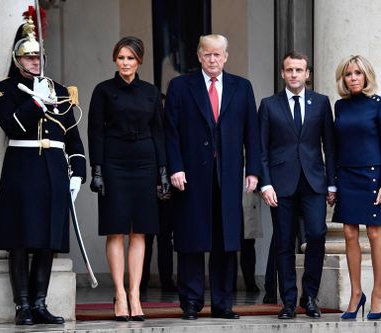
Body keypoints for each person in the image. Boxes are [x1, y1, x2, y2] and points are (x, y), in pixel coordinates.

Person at [0, 9, 86, 325]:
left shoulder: (60, 89)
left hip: (54, 171)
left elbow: (72, 137)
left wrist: (78, 172)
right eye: (28, 58)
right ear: (17, 59)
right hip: (22, 170)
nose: (35, 63)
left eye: (38, 57)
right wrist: (35, 103)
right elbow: (12, 127)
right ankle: (22, 306)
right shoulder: (2, 89)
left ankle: (40, 303)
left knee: (47, 239)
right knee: (20, 240)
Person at [164, 34, 261, 320]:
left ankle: (222, 303)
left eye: (218, 54)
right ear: (199, 56)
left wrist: (253, 169)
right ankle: (191, 303)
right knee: (192, 241)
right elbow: (170, 132)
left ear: (226, 56)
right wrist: (175, 167)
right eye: (208, 54)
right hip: (191, 176)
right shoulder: (181, 86)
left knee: (226, 241)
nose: (213, 59)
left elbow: (251, 133)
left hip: (229, 177)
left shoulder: (242, 87)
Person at [88, 36, 169, 321]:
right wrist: (96, 170)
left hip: (145, 163)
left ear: (139, 61)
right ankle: (119, 294)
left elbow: (159, 133)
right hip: (114, 162)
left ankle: (135, 294)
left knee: (140, 231)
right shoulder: (103, 91)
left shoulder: (150, 92)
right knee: (116, 229)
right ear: (115, 59)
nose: (125, 62)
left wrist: (162, 171)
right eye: (121, 57)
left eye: (130, 58)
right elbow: (95, 132)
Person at [259, 51, 336, 319]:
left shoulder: (322, 103)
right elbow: (261, 149)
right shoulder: (268, 105)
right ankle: (289, 302)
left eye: (299, 70)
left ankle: (310, 296)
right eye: (289, 70)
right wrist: (265, 184)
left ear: (307, 74)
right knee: (284, 242)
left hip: (314, 182)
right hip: (280, 185)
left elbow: (330, 146)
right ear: (282, 73)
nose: (294, 75)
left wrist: (332, 184)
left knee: (316, 235)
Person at [332, 55, 381, 320]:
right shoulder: (340, 106)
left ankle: (377, 293)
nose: (353, 78)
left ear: (366, 76)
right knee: (348, 234)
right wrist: (332, 183)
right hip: (346, 175)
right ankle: (356, 294)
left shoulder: (380, 104)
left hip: (371, 176)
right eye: (348, 74)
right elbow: (334, 147)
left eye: (358, 73)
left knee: (375, 233)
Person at [140, 93, 177, 294]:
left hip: (168, 194)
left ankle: (167, 280)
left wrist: (167, 187)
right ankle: (141, 280)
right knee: (144, 239)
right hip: (147, 192)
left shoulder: (172, 133)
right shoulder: (148, 132)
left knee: (165, 240)